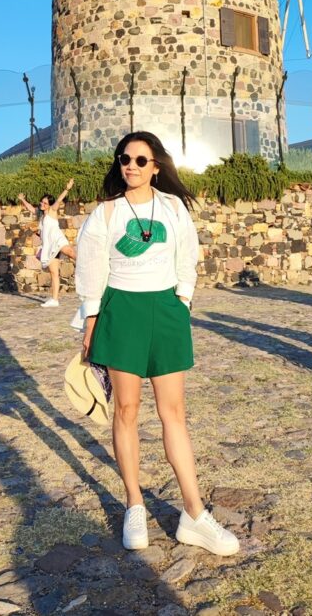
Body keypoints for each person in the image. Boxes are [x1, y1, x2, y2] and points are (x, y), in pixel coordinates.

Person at [72, 130, 238, 557]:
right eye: (124, 159)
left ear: (156, 166)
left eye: (140, 160)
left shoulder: (172, 208)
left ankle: (194, 514)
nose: (130, 165)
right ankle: (134, 504)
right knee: (126, 410)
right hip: (121, 312)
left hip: (165, 310)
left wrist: (181, 301)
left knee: (174, 413)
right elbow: (91, 269)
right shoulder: (105, 214)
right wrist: (92, 321)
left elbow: (188, 257)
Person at [18, 176, 77, 306]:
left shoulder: (52, 211)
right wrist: (22, 199)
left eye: (45, 203)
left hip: (57, 240)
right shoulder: (40, 215)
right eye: (41, 202)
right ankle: (55, 300)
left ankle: (88, 264)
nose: (42, 204)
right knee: (54, 272)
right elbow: (30, 208)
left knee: (70, 252)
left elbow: (59, 199)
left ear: (49, 205)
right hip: (49, 247)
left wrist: (67, 189)